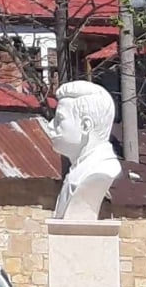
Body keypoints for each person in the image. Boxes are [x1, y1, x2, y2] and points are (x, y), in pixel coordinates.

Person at [43, 80, 121, 220]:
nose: (50, 125)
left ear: (86, 126)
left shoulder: (101, 170)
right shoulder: (78, 170)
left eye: (59, 119)